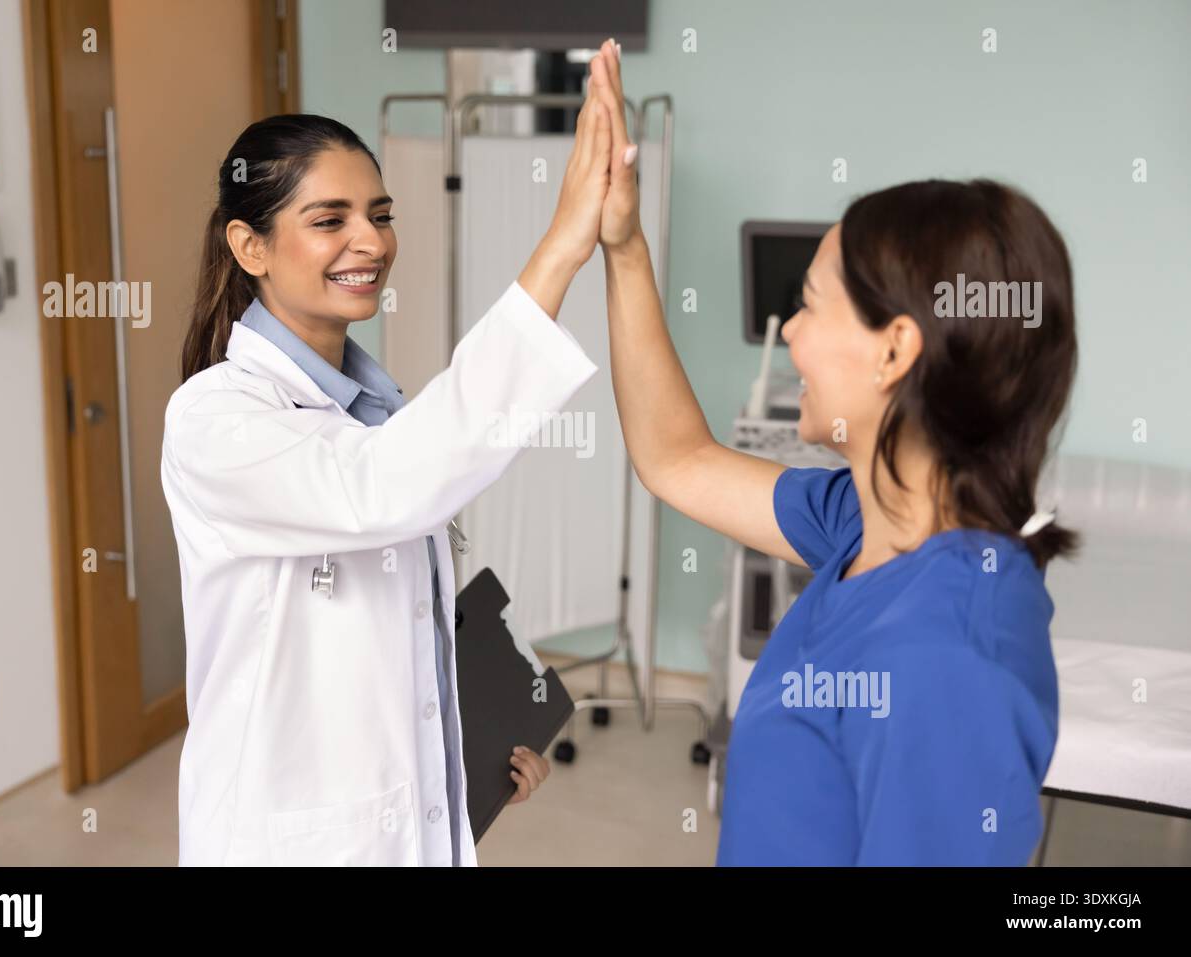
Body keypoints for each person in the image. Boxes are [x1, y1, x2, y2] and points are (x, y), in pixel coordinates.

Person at [585, 38, 1077, 865]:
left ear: (894, 352)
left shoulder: (947, 662)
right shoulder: (869, 522)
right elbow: (677, 459)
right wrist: (624, 246)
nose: (792, 336)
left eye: (808, 306)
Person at [161, 53, 620, 865]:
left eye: (379, 212)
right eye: (329, 219)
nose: (370, 240)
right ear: (250, 245)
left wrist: (470, 755)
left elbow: (397, 644)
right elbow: (380, 490)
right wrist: (562, 248)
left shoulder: (377, 410)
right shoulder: (214, 418)